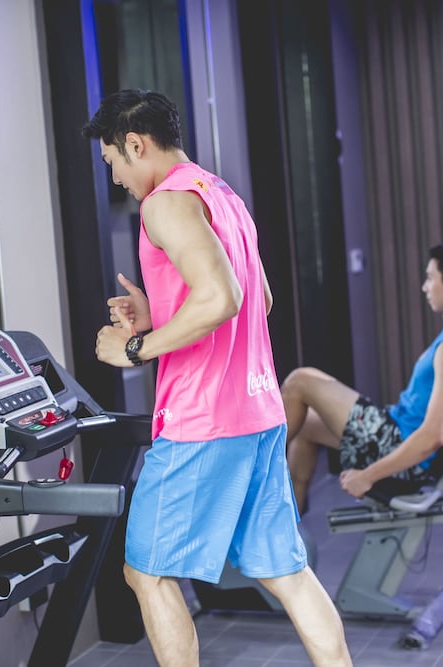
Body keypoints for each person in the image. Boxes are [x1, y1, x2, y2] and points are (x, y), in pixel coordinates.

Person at [86, 90, 352, 667]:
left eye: (112, 161)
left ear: (136, 144)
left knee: (147, 573)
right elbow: (258, 299)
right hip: (258, 414)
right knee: (286, 571)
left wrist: (135, 348)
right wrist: (159, 311)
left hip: (201, 422)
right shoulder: (221, 195)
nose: (116, 178)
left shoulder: (164, 203)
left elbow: (222, 298)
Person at [284, 241, 443, 512]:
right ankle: (289, 522)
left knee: (300, 380)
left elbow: (433, 436)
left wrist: (367, 476)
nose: (425, 287)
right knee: (304, 425)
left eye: (430, 278)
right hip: (396, 429)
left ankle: (245, 469)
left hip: (397, 444)